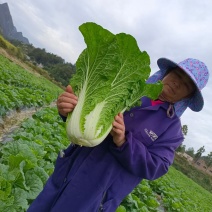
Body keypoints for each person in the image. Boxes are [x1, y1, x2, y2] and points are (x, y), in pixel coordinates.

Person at [27, 58, 209, 212]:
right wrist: (68, 110)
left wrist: (123, 141)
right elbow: (87, 110)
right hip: (67, 171)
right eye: (178, 75)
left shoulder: (172, 130)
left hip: (96, 195)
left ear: (188, 96)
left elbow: (157, 166)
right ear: (167, 72)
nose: (178, 83)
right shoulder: (126, 89)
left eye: (186, 84)